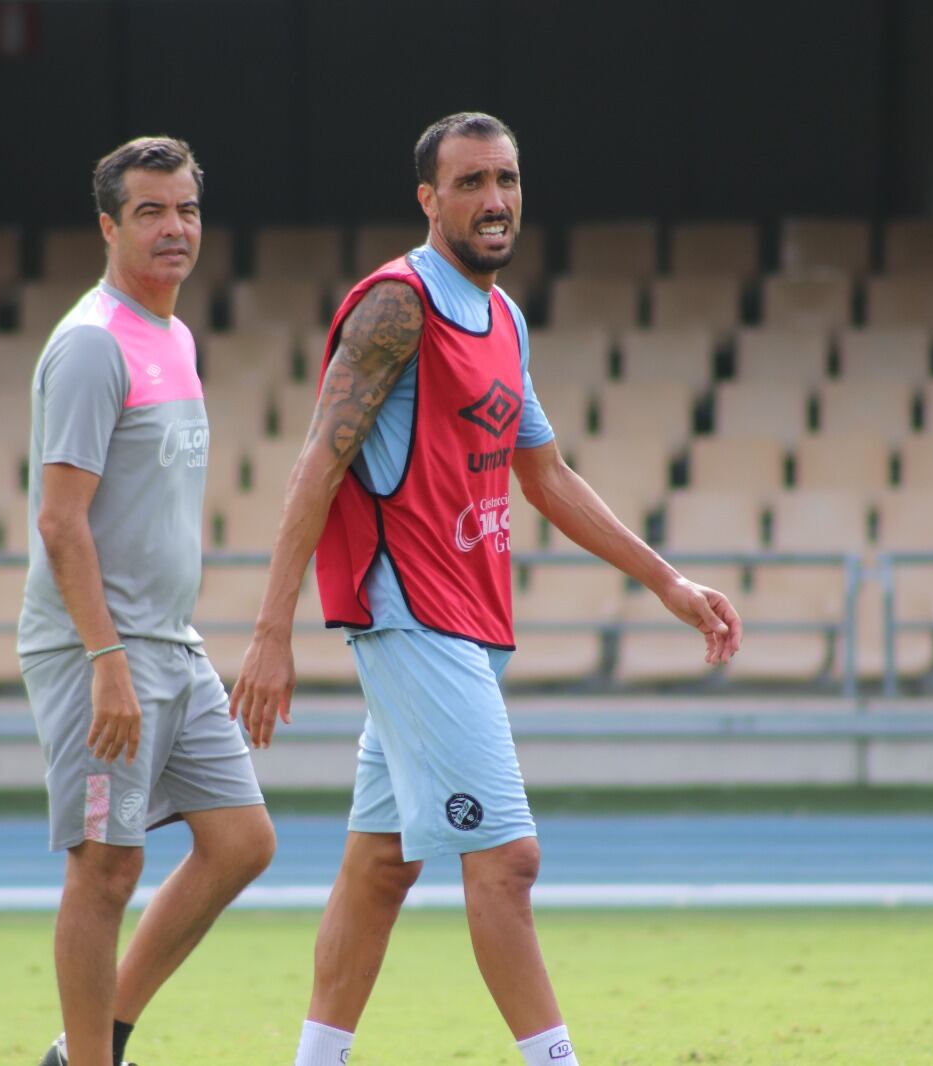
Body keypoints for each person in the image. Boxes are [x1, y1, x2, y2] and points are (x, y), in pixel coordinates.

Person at [229, 112, 742, 1066]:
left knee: (382, 864)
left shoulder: (501, 318)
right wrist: (271, 630)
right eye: (469, 183)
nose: (494, 200)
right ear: (428, 200)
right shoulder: (398, 305)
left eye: (505, 179)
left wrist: (665, 580)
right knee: (507, 861)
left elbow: (544, 475)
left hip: (460, 620)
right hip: (408, 613)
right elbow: (316, 465)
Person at [20, 135, 275, 1066]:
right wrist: (106, 661)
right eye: (151, 212)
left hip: (171, 644)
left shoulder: (174, 336)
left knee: (243, 841)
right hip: (102, 653)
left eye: (188, 210)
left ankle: (97, 1038)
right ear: (108, 226)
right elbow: (60, 522)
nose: (175, 229)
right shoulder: (91, 345)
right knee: (106, 867)